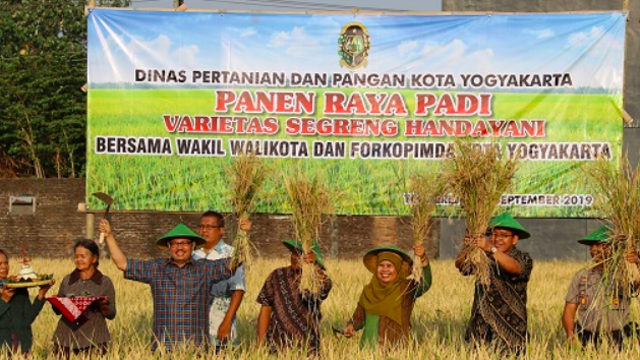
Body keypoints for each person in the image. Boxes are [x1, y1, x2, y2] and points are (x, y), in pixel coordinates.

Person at [100, 219, 234, 351]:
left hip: (196, 348)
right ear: (169, 247)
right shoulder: (157, 268)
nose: (180, 247)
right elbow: (123, 264)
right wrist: (109, 236)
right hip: (163, 348)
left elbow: (233, 263)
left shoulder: (205, 269)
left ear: (192, 246)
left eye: (185, 243)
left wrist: (244, 234)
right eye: (175, 244)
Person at [455, 212, 533, 354]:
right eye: (494, 235)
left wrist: (491, 249)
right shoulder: (483, 258)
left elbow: (515, 268)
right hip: (480, 327)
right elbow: (461, 266)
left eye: (504, 235)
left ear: (515, 239)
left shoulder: (523, 258)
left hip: (510, 329)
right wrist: (467, 247)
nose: (497, 239)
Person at [562, 225, 640, 348]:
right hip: (587, 339)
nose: (594, 249)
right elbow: (569, 309)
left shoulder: (625, 274)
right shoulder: (582, 277)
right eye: (591, 246)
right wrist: (571, 336)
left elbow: (636, 283)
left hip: (619, 340)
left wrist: (638, 263)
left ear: (613, 248)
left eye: (599, 245)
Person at [343, 244, 432, 349]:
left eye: (389, 266)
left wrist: (423, 259)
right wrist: (351, 326)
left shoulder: (405, 288)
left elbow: (425, 284)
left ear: (398, 268)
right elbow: (359, 316)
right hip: (368, 349)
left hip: (395, 349)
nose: (385, 270)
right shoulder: (368, 290)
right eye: (381, 265)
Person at [256, 240, 332, 356]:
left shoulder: (316, 281)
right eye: (294, 253)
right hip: (276, 345)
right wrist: (260, 345)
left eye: (301, 254)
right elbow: (265, 309)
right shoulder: (277, 275)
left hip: (307, 347)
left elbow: (324, 287)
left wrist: (314, 267)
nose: (296, 257)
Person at [192, 211, 247, 350]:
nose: (204, 231)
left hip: (220, 323)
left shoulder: (232, 254)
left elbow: (238, 290)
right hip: (195, 327)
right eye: (202, 226)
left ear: (221, 230)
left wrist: (227, 322)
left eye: (210, 227)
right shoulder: (193, 255)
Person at [51, 240, 116, 357]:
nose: (78, 260)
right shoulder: (67, 280)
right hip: (65, 338)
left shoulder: (105, 282)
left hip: (95, 338)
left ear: (94, 258)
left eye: (83, 256)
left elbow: (112, 313)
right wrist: (56, 302)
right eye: (76, 257)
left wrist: (104, 307)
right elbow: (57, 311)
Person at [0, 249, 53, 355]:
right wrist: (3, 300)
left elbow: (28, 318)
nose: (4, 267)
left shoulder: (19, 288)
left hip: (22, 348)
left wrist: (41, 295)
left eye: (6, 263)